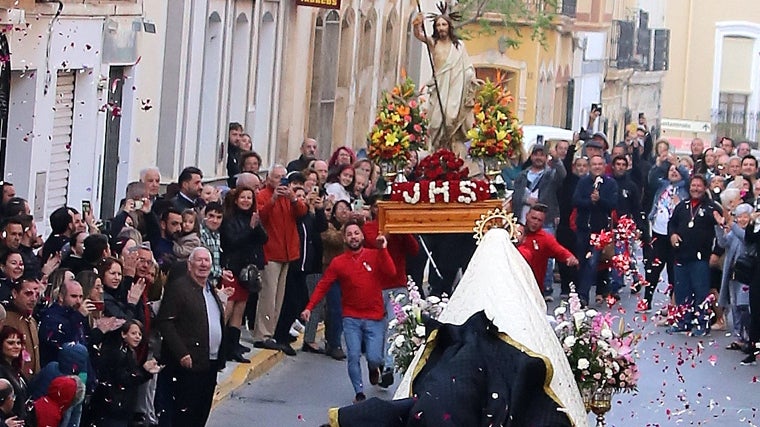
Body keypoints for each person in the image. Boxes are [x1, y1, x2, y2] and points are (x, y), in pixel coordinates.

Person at [301, 220, 396, 403]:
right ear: (344, 238)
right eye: (350, 234)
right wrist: (309, 308)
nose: (353, 237)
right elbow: (323, 286)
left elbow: (391, 272)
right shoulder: (338, 263)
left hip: (375, 317)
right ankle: (359, 392)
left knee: (374, 357)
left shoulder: (374, 255)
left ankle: (374, 367)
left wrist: (383, 248)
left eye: (356, 233)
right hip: (351, 317)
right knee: (352, 355)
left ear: (362, 236)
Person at [157, 247, 225, 427]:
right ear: (189, 264)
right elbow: (165, 322)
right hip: (188, 364)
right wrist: (182, 353)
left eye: (207, 261)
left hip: (210, 362)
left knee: (201, 413)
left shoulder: (210, 288)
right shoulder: (179, 288)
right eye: (199, 260)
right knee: (185, 415)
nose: (203, 264)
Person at [254, 165, 307, 350]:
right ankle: (263, 334)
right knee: (268, 296)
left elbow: (302, 212)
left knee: (279, 297)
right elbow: (261, 217)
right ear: (269, 179)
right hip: (271, 251)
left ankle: (273, 332)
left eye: (283, 177)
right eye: (277, 177)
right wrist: (273, 198)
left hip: (287, 252)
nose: (281, 181)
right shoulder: (263, 195)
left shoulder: (289, 196)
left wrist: (293, 198)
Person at [412, 6, 476, 151]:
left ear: (449, 26)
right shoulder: (433, 42)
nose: (441, 28)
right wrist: (417, 24)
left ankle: (449, 148)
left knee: (449, 120)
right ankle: (435, 148)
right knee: (435, 123)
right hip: (439, 86)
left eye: (444, 24)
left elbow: (467, 67)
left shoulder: (459, 46)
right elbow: (419, 35)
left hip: (454, 87)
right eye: (438, 25)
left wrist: (471, 78)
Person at [667, 175, 722, 336]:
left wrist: (716, 253)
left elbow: (722, 232)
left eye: (699, 186)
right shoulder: (682, 206)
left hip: (702, 258)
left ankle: (702, 323)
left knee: (701, 292)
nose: (695, 188)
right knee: (682, 290)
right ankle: (683, 321)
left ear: (705, 188)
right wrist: (672, 235)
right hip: (681, 256)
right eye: (693, 185)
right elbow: (672, 224)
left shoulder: (713, 208)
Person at [512, 144, 566, 300]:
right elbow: (516, 196)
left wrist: (556, 158)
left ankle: (545, 289)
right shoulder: (522, 175)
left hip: (546, 221)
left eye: (542, 155)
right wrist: (525, 199)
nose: (538, 158)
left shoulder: (551, 174)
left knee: (546, 256)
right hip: (522, 220)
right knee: (521, 254)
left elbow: (563, 175)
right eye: (536, 154)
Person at [220, 186, 268, 361]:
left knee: (240, 308)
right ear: (235, 199)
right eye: (243, 197)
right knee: (229, 308)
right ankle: (222, 347)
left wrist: (256, 226)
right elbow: (233, 241)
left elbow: (264, 239)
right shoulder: (229, 219)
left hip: (246, 270)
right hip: (232, 267)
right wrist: (250, 228)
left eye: (249, 198)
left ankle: (233, 346)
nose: (246, 201)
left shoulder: (252, 218)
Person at [89, 319, 161, 427]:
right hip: (113, 407)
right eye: (133, 333)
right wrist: (145, 371)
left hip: (122, 408)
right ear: (123, 334)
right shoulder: (117, 353)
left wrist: (145, 372)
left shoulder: (129, 352)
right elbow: (124, 378)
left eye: (140, 334)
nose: (138, 337)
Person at [572, 155, 618, 306]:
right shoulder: (583, 182)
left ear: (604, 166)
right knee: (582, 263)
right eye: (594, 164)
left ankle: (583, 296)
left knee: (592, 262)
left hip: (600, 231)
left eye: (600, 164)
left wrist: (600, 200)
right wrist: (589, 202)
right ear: (590, 166)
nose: (597, 167)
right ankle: (581, 291)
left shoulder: (610, 184)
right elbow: (576, 201)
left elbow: (612, 204)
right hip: (583, 229)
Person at [516, 204, 578, 291]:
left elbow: (560, 250)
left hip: (534, 288)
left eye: (539, 220)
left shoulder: (545, 238)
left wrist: (570, 257)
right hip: (514, 284)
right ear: (527, 216)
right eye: (533, 218)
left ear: (543, 222)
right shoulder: (514, 231)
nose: (535, 222)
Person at [38, 280, 93, 366]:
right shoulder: (51, 316)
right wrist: (78, 316)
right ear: (61, 297)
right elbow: (60, 343)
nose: (78, 301)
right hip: (59, 371)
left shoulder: (77, 315)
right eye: (74, 296)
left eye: (81, 297)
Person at [4, 277, 40, 377]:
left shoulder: (32, 321)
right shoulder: (5, 320)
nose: (33, 299)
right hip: (11, 379)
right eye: (28, 294)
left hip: (32, 383)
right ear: (15, 293)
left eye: (36, 295)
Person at [0, 326, 29, 423]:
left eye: (19, 343)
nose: (16, 346)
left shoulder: (16, 369)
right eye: (10, 343)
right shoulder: (1, 370)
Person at [227, 122, 244, 187]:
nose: (238, 138)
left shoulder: (240, 154)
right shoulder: (227, 152)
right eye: (234, 134)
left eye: (240, 135)